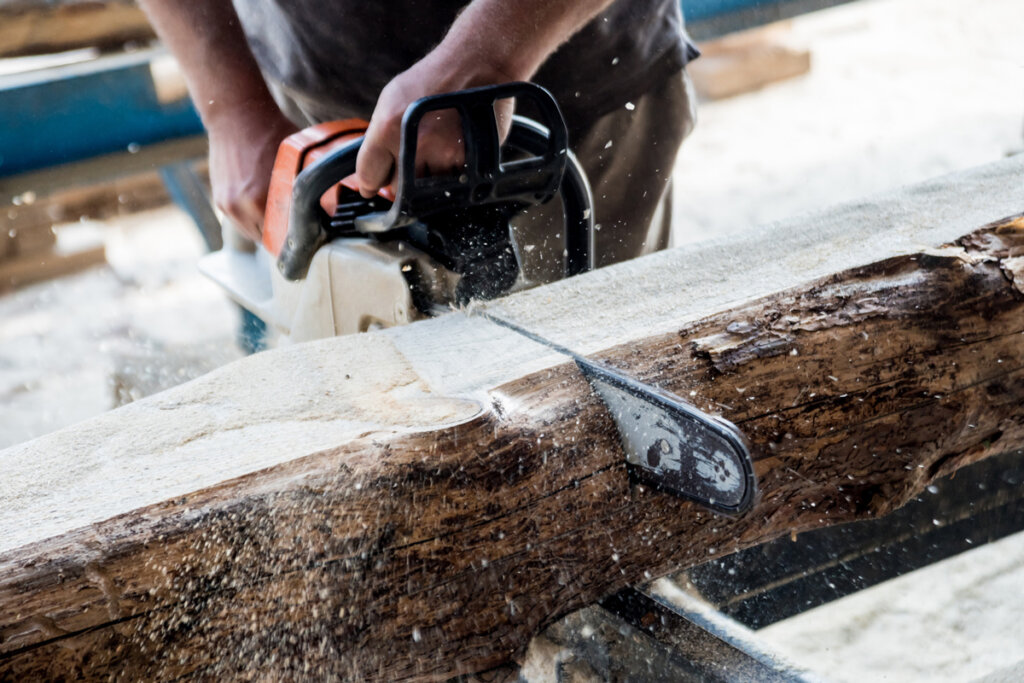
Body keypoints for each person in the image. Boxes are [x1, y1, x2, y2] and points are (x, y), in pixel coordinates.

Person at [139, 0, 699, 286]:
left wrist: (489, 51)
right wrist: (233, 106)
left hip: (566, 96)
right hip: (305, 101)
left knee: (579, 421)